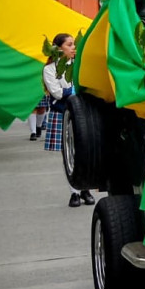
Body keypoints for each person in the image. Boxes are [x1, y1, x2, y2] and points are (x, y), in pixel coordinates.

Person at [43, 33, 94, 207]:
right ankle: (74, 192)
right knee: (69, 153)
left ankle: (85, 189)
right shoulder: (49, 69)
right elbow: (56, 93)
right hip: (61, 113)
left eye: (74, 44)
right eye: (70, 45)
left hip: (82, 113)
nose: (74, 48)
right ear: (59, 49)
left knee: (84, 151)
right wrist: (73, 91)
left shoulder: (79, 65)